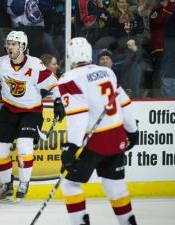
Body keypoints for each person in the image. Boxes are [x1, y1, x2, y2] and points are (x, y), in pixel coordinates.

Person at [0, 30, 65, 202]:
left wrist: (59, 102)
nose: (10, 47)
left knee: (23, 145)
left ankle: (24, 182)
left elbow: (54, 83)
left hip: (31, 112)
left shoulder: (35, 65)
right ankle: (6, 186)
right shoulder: (1, 63)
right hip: (9, 110)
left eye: (14, 44)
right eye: (9, 44)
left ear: (23, 46)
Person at [58, 37, 139, 225]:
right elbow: (124, 102)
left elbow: (78, 115)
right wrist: (133, 130)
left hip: (93, 142)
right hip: (117, 136)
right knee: (116, 187)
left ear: (70, 56)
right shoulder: (107, 72)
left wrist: (71, 146)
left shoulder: (68, 78)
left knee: (70, 184)